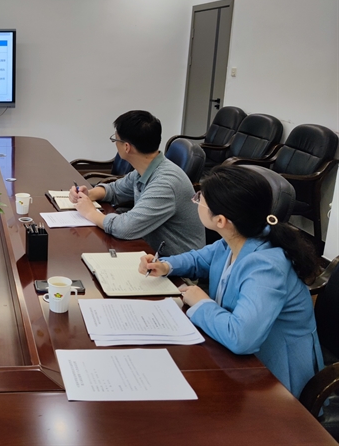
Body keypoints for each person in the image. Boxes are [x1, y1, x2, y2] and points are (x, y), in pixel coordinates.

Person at [139, 165, 323, 398]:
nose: (196, 201)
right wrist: (166, 265)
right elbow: (199, 259)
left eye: (200, 199)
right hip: (239, 359)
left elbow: (242, 339)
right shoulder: (237, 237)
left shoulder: (266, 267)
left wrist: (202, 303)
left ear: (221, 220)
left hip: (276, 379)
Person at [70, 110, 204, 256]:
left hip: (178, 264)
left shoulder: (165, 183)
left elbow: (125, 228)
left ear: (127, 147)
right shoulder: (147, 168)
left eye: (115, 140)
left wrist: (90, 212)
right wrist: (89, 194)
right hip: (152, 251)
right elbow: (115, 189)